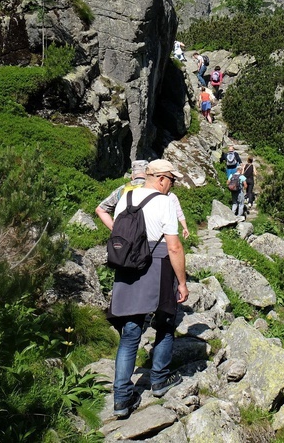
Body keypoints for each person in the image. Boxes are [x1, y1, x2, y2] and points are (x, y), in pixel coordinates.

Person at [98, 159, 189, 419]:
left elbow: (119, 230)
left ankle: (121, 398)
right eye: (172, 180)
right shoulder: (165, 202)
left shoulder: (125, 198)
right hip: (157, 265)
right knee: (165, 321)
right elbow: (174, 247)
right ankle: (159, 379)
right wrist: (182, 282)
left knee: (130, 332)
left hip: (127, 266)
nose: (172, 186)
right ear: (161, 178)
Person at [95, 160, 148, 224]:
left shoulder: (122, 189)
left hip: (123, 231)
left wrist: (115, 229)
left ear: (132, 175)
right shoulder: (154, 189)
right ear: (148, 173)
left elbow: (100, 209)